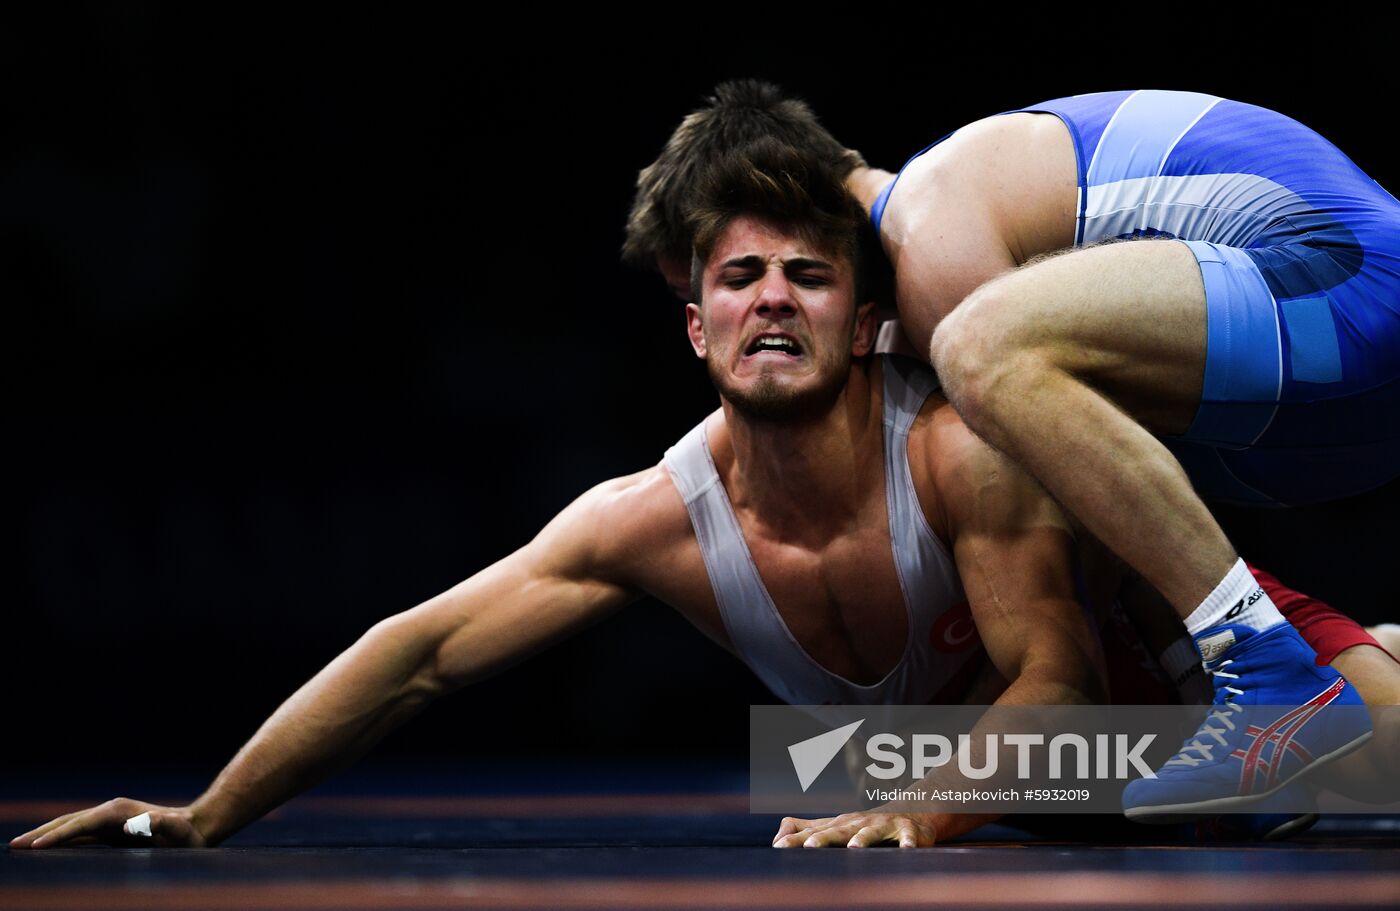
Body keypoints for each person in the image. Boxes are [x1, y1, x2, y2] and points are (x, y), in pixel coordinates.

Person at [11, 148, 1392, 854]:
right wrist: (205, 814)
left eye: (808, 273)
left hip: (1175, 709)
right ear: (696, 330)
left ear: (869, 326)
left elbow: (1062, 686)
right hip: (1082, 778)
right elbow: (418, 650)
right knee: (820, 760)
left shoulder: (964, 446)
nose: (774, 296)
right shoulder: (650, 519)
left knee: (859, 765)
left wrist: (918, 812)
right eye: (739, 278)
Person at [626, 81, 1399, 818]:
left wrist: (930, 781)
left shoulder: (930, 230)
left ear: (780, 199)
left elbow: (1088, 532)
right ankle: (1314, 673)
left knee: (981, 352)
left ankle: (1269, 677)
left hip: (1346, 284)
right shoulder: (933, 278)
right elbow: (1126, 510)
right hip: (1326, 377)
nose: (748, 302)